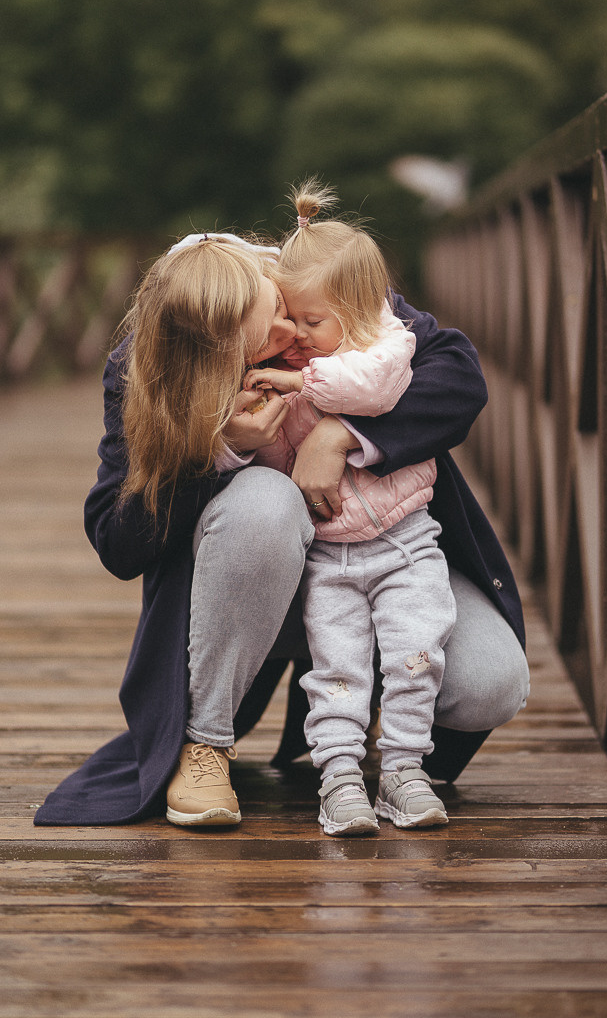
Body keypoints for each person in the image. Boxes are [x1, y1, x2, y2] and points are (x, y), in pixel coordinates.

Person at [33, 208, 529, 830]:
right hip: (256, 589)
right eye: (266, 339)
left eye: (282, 308)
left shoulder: (315, 282)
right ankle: (205, 744)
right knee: (265, 499)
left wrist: (341, 434)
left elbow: (456, 372)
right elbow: (118, 539)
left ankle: (371, 704)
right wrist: (217, 451)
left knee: (491, 683)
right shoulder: (146, 368)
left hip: (387, 551)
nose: (291, 330)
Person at [243, 183, 455, 834]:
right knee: (336, 670)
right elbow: (276, 464)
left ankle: (404, 771)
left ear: (360, 308)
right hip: (330, 556)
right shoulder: (292, 358)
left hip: (405, 543)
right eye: (291, 318)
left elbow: (371, 389)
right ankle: (338, 776)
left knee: (417, 656)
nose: (298, 335)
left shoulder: (384, 347)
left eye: (314, 322)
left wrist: (299, 385)